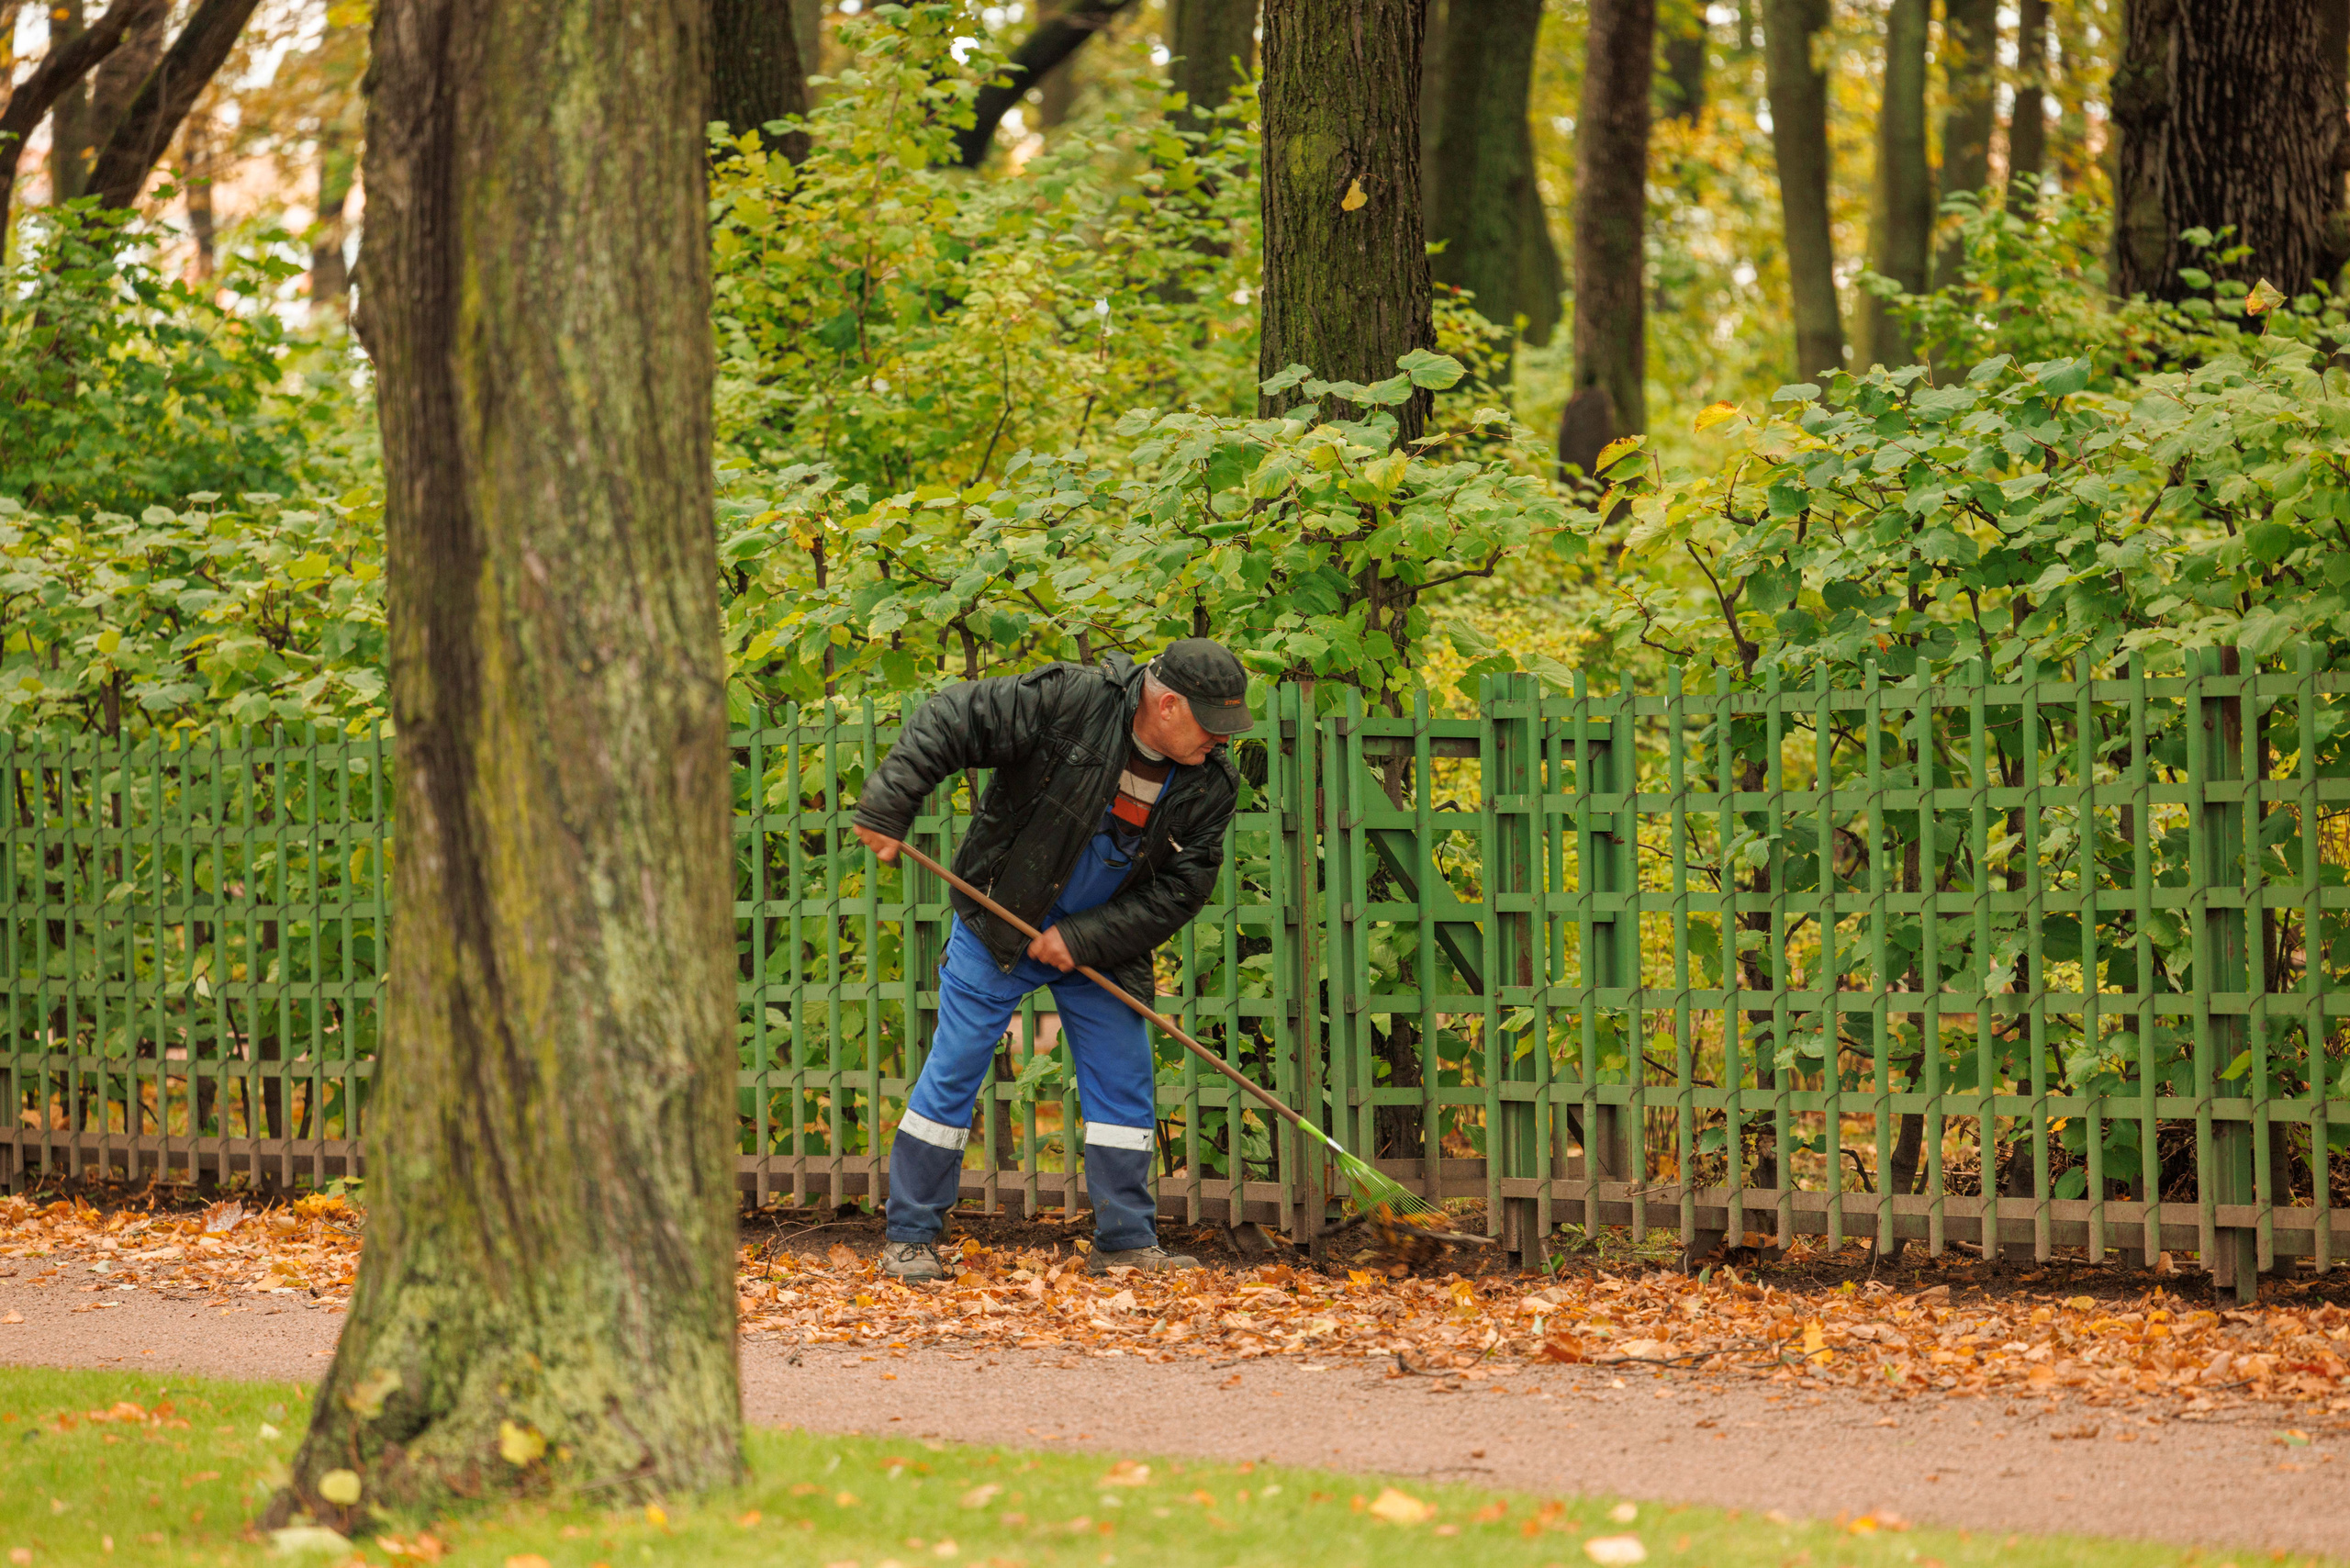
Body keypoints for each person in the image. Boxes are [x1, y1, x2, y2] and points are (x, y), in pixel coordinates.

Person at [853, 639, 1250, 1282]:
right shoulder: (1069, 702)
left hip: (1104, 943)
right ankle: (910, 1238)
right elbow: (951, 716)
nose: (1221, 742)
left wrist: (1084, 939)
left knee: (1123, 1082)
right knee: (954, 1070)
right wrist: (890, 803)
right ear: (1168, 704)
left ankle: (1126, 1243)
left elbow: (1182, 890)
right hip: (1000, 918)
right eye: (1212, 725)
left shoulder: (1213, 784)